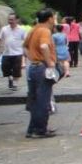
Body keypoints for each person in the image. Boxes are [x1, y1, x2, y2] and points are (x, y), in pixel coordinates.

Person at [23, 9, 58, 138]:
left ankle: (32, 129)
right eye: (54, 17)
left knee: (35, 99)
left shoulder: (34, 29)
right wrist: (49, 63)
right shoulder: (45, 30)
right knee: (43, 99)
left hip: (33, 67)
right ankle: (40, 130)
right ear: (50, 19)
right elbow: (44, 46)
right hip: (42, 68)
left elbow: (25, 46)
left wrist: (32, 58)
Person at [0, 13, 26, 90]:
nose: (10, 21)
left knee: (17, 69)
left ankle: (15, 84)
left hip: (18, 53)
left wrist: (25, 51)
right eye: (9, 19)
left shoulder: (22, 30)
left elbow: (26, 41)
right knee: (4, 68)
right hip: (6, 52)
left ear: (17, 20)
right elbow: (0, 39)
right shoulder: (4, 29)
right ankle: (10, 78)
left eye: (12, 20)